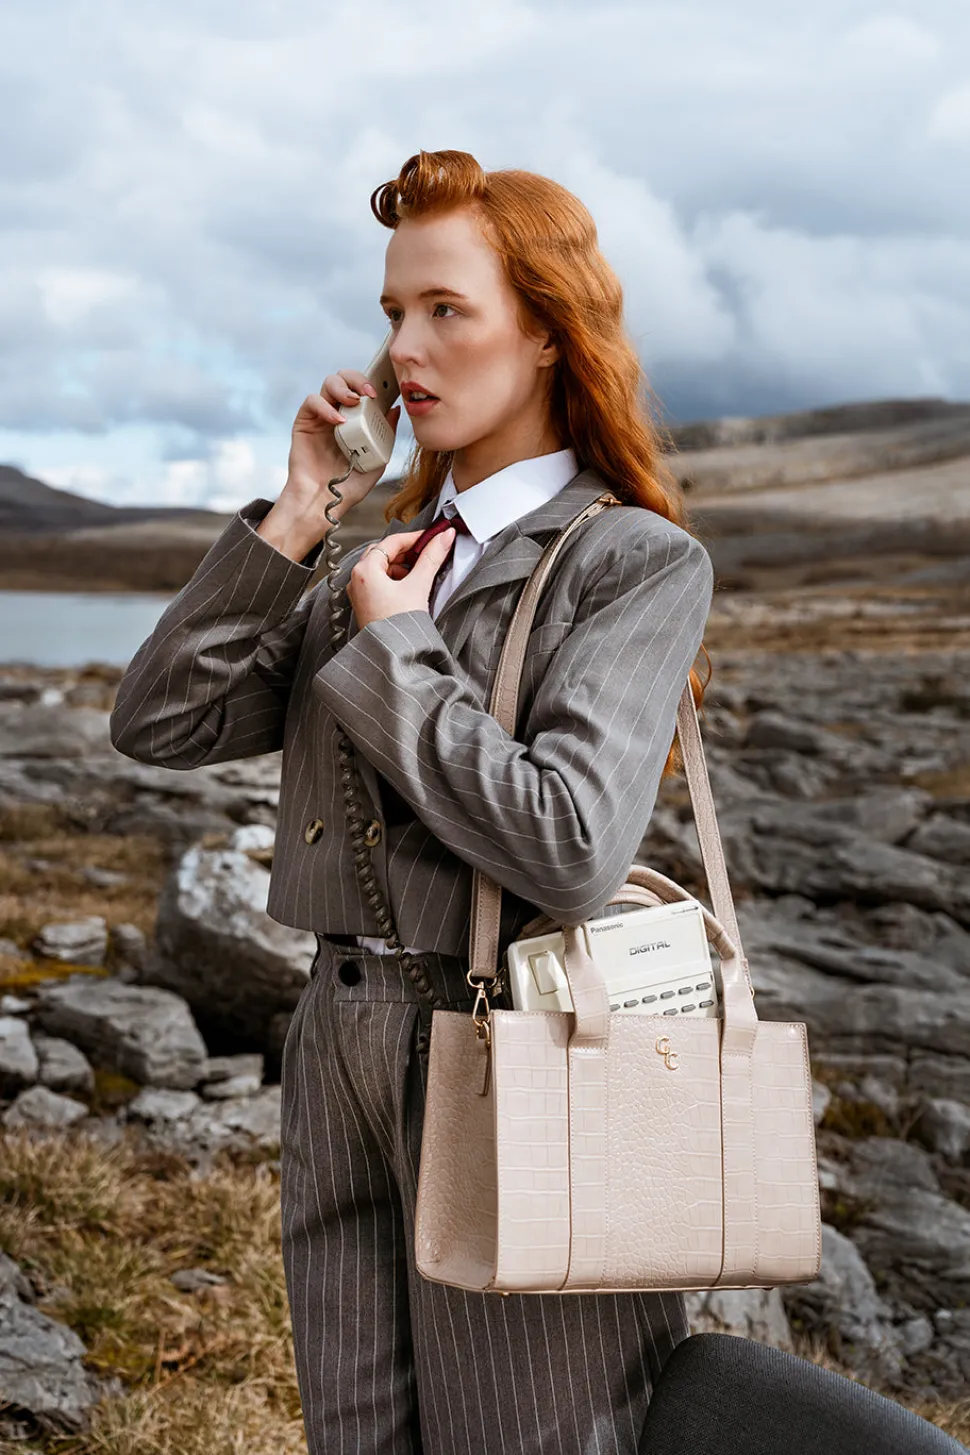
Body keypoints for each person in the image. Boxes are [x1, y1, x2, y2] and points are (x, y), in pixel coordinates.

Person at [110, 148, 716, 1455]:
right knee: (356, 1430)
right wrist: (302, 509)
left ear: (548, 331)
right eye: (393, 312)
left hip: (522, 1048)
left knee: (530, 1433)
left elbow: (566, 845)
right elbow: (161, 719)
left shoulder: (632, 559)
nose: (404, 347)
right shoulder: (371, 561)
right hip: (332, 1039)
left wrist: (397, 653)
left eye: (447, 308)